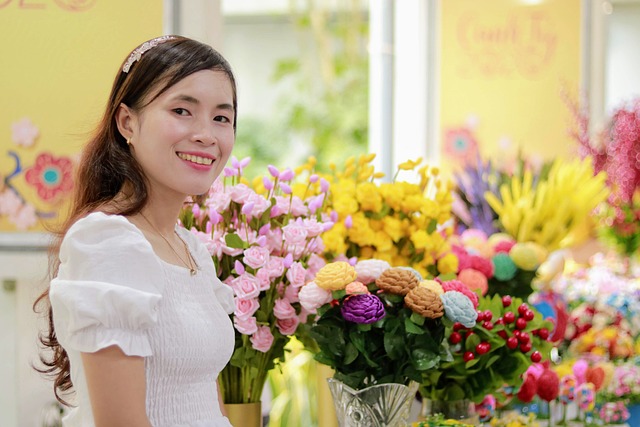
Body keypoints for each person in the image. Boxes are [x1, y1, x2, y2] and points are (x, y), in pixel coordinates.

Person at [34, 35, 238, 427]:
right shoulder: (108, 242)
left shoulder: (189, 248)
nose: (206, 135)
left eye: (221, 118)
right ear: (127, 121)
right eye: (182, 110)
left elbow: (204, 403)